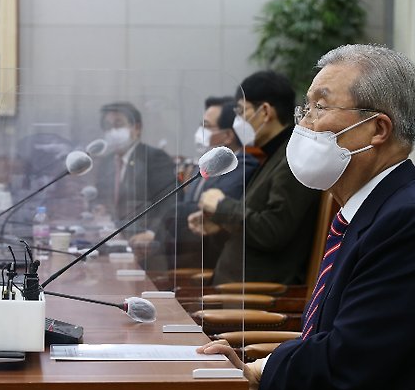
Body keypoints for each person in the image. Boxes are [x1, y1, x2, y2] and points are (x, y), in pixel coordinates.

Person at [199, 44, 415, 390]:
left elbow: (347, 364)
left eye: (319, 108)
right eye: (304, 109)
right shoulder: (369, 212)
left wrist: (260, 376)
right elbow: (339, 342)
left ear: (377, 129)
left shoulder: (410, 223)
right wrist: (261, 372)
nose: (303, 124)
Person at [189, 71, 320, 285]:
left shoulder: (294, 159)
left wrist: (222, 206)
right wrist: (221, 221)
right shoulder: (276, 155)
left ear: (265, 111)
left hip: (260, 298)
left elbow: (273, 231)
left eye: (241, 112)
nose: (238, 121)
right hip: (239, 291)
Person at [164, 99, 260, 268]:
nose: (200, 131)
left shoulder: (244, 167)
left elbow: (209, 209)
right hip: (186, 249)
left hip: (208, 259)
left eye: (206, 125)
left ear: (228, 135)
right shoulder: (206, 164)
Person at [94, 101, 178, 248]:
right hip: (111, 239)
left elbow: (171, 201)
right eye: (108, 127)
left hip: (145, 243)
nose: (112, 132)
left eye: (118, 125)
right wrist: (98, 208)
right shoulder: (106, 162)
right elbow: (97, 196)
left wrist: (152, 233)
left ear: (137, 128)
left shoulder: (153, 158)